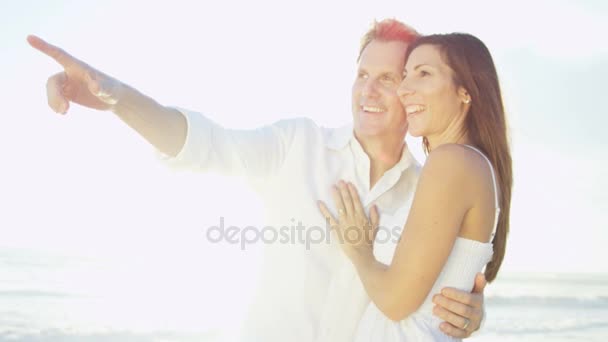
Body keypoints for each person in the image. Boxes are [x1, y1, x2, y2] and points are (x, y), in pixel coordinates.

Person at [27, 19, 487, 341]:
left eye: (387, 78)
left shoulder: (428, 190)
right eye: (361, 74)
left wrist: (469, 314)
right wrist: (116, 98)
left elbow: (435, 296)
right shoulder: (297, 144)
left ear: (410, 89)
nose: (368, 90)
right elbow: (201, 142)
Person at [318, 32, 512, 341]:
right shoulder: (465, 166)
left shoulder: (451, 162)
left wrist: (359, 250)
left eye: (424, 74)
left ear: (465, 91)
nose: (405, 89)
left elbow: (396, 303)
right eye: (405, 75)